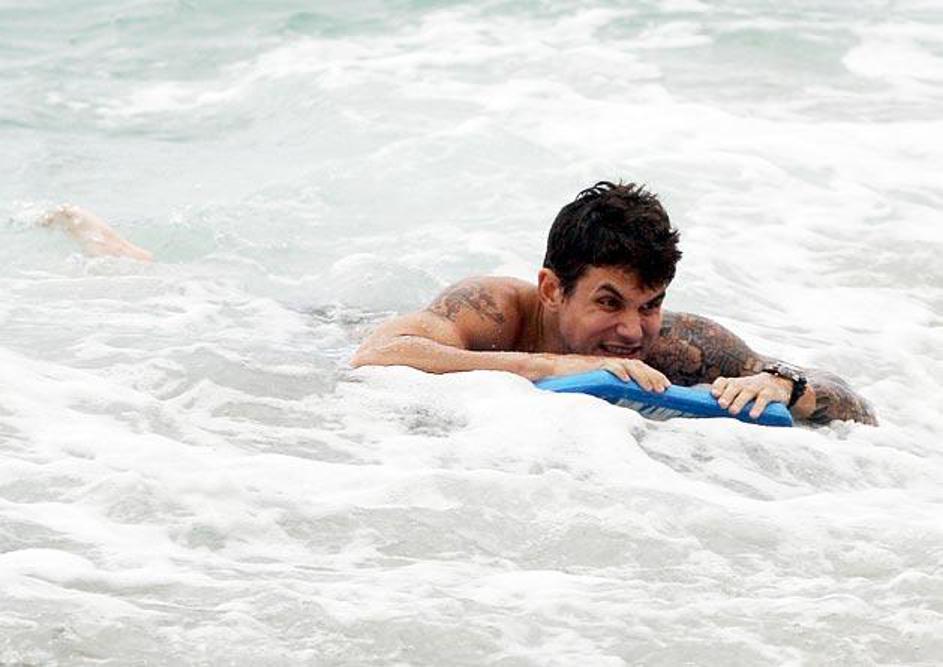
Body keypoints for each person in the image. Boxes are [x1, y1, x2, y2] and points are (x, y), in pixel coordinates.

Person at [352, 182, 878, 425]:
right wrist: (552, 365)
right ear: (552, 290)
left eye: (649, 305)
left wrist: (783, 385)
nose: (632, 331)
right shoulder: (495, 311)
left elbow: (856, 407)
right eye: (610, 303)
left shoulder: (678, 346)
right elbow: (378, 354)